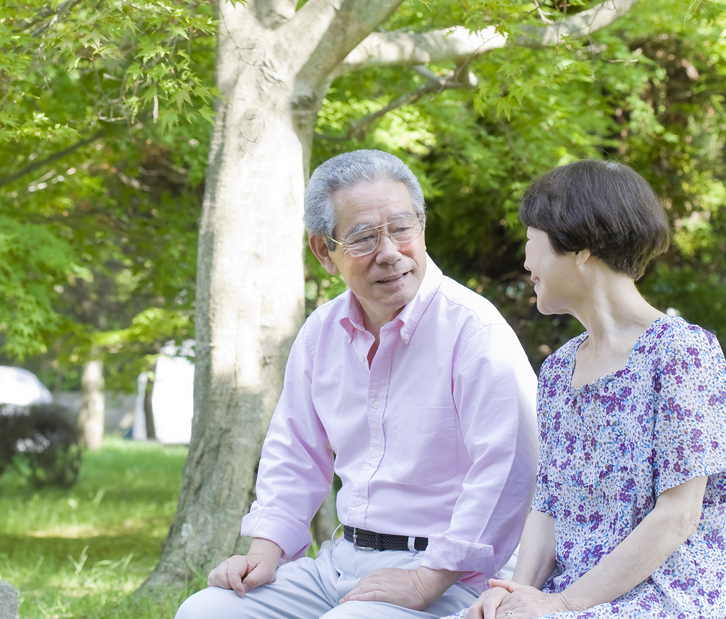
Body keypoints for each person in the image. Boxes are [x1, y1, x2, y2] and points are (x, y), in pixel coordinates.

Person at [176, 149, 539, 619]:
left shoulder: (474, 330)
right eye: (364, 237)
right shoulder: (320, 333)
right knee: (206, 612)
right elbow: (294, 453)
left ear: (422, 228)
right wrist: (263, 553)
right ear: (325, 252)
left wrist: (427, 580)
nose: (390, 253)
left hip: (453, 576)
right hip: (340, 565)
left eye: (402, 229)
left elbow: (510, 471)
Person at [457, 160, 726, 619]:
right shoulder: (556, 371)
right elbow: (549, 503)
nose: (526, 261)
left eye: (532, 241)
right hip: (571, 596)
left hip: (663, 598)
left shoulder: (683, 352)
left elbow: (678, 517)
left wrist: (562, 605)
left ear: (580, 246)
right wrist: (517, 593)